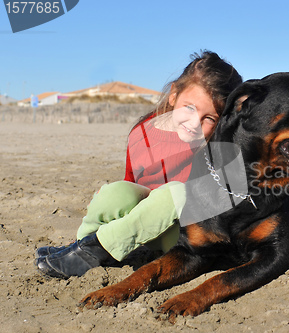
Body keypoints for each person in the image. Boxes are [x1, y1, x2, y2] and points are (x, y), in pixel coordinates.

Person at [35, 51, 243, 278]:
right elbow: (131, 182)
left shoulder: (218, 147)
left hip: (182, 238)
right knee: (115, 192)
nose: (194, 123)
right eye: (190, 108)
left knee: (176, 192)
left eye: (209, 118)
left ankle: (97, 249)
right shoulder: (143, 131)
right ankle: (81, 245)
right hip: (143, 228)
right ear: (173, 95)